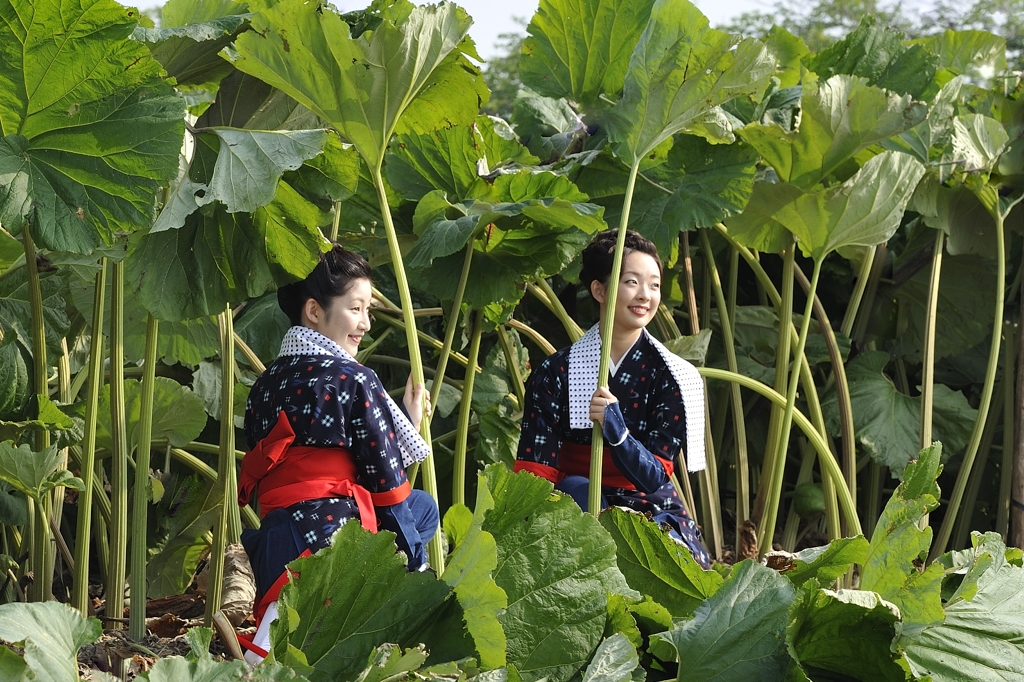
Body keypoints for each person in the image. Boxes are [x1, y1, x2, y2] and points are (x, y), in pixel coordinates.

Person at [237, 245, 438, 663]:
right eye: (356, 309)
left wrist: (404, 421)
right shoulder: (354, 379)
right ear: (314, 310)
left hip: (273, 543)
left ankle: (272, 632)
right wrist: (416, 565)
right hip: (329, 539)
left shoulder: (263, 386)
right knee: (422, 508)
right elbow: (385, 483)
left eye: (367, 310)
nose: (365, 323)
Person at [514, 229, 710, 568]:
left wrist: (617, 433)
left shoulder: (675, 376)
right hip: (577, 502)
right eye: (632, 282)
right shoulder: (555, 372)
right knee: (578, 494)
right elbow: (535, 470)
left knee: (677, 567)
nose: (645, 295)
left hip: (649, 505)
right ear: (599, 290)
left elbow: (654, 477)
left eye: (654, 285)